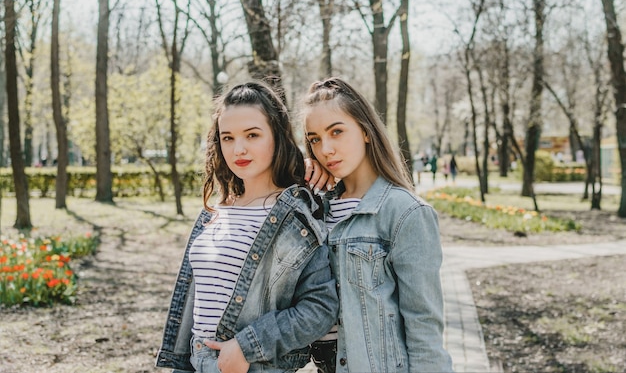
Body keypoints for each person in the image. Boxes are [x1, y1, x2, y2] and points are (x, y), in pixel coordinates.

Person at [156, 82, 339, 373]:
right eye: (227, 138)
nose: (238, 148)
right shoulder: (214, 211)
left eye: (252, 135)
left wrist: (247, 346)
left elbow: (320, 308)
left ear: (277, 137)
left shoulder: (296, 216)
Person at [302, 78, 453, 373]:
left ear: (366, 131)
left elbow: (424, 328)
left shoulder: (405, 213)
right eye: (315, 139)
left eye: (337, 132)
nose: (326, 149)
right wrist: (298, 172)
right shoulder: (315, 209)